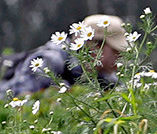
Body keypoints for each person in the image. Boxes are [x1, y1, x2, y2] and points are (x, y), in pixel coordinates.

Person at [1, 15, 129, 97]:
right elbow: (20, 97)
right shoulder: (50, 61)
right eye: (117, 52)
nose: (121, 58)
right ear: (94, 46)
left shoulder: (106, 78)